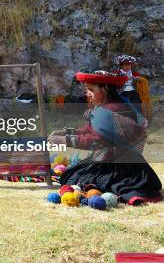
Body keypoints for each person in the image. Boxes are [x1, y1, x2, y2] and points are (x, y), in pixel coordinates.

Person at [48, 71, 162, 205]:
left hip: (119, 164)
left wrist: (66, 140)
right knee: (71, 174)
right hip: (114, 159)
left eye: (91, 90)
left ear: (105, 89)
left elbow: (98, 139)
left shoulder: (113, 109)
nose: (88, 94)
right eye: (87, 90)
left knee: (79, 179)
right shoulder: (104, 108)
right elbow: (89, 129)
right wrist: (66, 132)